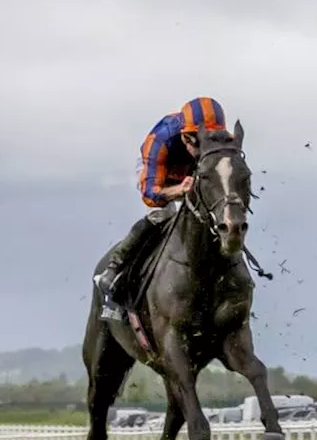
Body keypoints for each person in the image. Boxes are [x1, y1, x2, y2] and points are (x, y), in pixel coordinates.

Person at [92, 97, 228, 316]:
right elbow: (150, 195)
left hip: (191, 173)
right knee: (161, 216)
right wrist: (178, 190)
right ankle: (115, 272)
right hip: (158, 175)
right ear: (187, 138)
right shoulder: (160, 141)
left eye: (212, 139)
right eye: (202, 142)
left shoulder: (219, 141)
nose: (209, 146)